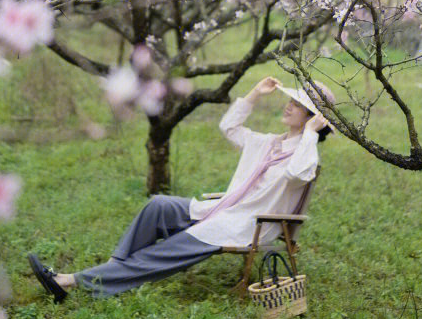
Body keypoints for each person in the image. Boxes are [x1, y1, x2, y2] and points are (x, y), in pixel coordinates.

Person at [27, 75, 336, 303]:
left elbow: (298, 173)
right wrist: (254, 94)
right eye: (292, 100)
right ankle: (114, 268)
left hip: (247, 226)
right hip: (225, 211)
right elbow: (229, 128)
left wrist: (310, 135)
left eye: (299, 105)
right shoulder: (270, 143)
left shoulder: (304, 155)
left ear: (313, 119)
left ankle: (67, 282)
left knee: (162, 253)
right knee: (159, 204)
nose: (289, 106)